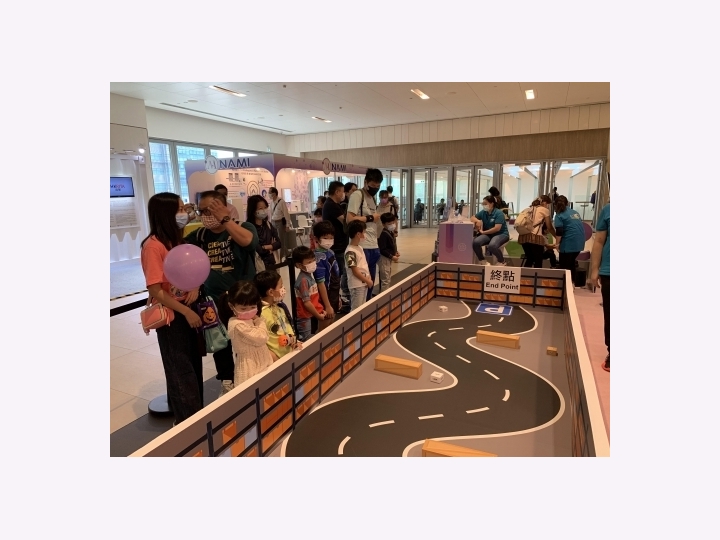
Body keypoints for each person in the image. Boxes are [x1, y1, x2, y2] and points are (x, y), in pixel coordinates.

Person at [185, 190, 259, 396]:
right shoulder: (200, 235)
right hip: (214, 300)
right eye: (201, 211)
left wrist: (225, 219)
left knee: (247, 339)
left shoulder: (243, 226)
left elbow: (249, 242)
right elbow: (178, 249)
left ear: (223, 207)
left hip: (243, 299)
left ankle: (251, 374)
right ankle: (227, 379)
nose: (205, 216)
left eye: (210, 210)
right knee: (220, 343)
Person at [140, 192, 203, 426]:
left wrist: (195, 286)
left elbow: (192, 268)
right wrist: (185, 311)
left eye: (184, 208)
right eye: (179, 209)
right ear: (166, 213)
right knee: (179, 369)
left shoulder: (177, 241)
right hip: (172, 316)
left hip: (188, 308)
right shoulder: (153, 246)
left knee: (193, 364)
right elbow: (156, 289)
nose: (184, 213)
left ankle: (197, 414)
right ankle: (187, 423)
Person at [217, 281, 274, 387]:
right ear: (231, 306)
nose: (249, 311)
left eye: (252, 307)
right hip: (250, 367)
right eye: (243, 308)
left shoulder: (250, 319)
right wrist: (259, 321)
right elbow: (262, 337)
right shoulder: (237, 324)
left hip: (264, 359)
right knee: (254, 392)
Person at [347, 168, 382, 300]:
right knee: (362, 284)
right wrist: (370, 218)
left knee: (370, 282)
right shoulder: (358, 195)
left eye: (378, 186)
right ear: (366, 182)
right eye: (373, 185)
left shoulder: (372, 197)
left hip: (373, 245)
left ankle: (368, 306)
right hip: (362, 245)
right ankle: (361, 308)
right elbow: (349, 219)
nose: (375, 188)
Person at [255, 270, 301, 361]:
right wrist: (272, 357)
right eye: (281, 286)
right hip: (276, 360)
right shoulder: (260, 315)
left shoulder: (280, 307)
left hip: (290, 353)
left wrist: (294, 340)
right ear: (271, 292)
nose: (283, 288)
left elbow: (288, 326)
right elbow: (260, 341)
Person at [588, 200, 610, 372]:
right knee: (610, 314)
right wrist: (595, 269)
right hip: (610, 270)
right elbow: (599, 241)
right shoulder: (608, 210)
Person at [322, 181, 351, 311]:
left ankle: (340, 297)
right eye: (343, 191)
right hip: (337, 246)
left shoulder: (335, 204)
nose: (344, 194)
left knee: (341, 272)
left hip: (340, 244)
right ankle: (339, 298)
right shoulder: (331, 205)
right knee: (338, 274)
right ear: (337, 192)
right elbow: (345, 221)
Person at [292, 246, 326, 341]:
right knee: (308, 340)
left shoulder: (309, 277)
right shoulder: (303, 280)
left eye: (313, 260)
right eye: (309, 262)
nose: (313, 263)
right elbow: (307, 303)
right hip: (305, 318)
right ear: (299, 265)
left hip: (312, 314)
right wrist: (318, 315)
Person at [313, 220, 341, 332]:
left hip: (334, 294)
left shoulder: (330, 252)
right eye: (325, 238)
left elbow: (336, 276)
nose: (329, 241)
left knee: (331, 326)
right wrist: (327, 305)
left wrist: (338, 297)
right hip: (325, 297)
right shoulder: (318, 258)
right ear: (316, 238)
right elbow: (321, 283)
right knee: (324, 329)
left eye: (331, 238)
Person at [553, 195, 585, 286]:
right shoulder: (575, 213)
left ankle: (565, 286)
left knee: (564, 266)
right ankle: (572, 284)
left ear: (555, 205)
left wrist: (557, 244)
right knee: (571, 263)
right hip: (579, 243)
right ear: (567, 203)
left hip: (568, 243)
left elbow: (559, 231)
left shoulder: (559, 215)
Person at [471, 195, 510, 266]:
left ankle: (502, 261)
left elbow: (497, 228)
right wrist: (477, 221)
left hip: (501, 234)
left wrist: (484, 232)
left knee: (492, 246)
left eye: (485, 203)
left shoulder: (498, 213)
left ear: (492, 204)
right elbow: (472, 217)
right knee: (476, 243)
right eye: (483, 204)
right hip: (489, 235)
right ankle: (482, 260)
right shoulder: (483, 212)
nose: (483, 205)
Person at [518, 195, 556, 268]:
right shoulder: (544, 210)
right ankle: (536, 275)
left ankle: (524, 274)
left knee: (530, 259)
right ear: (545, 203)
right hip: (535, 238)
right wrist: (556, 237)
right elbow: (550, 227)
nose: (548, 207)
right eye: (548, 204)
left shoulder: (528, 209)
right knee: (538, 260)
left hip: (523, 237)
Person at [345, 221, 373, 311]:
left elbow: (363, 266)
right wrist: (367, 281)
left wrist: (367, 279)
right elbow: (355, 271)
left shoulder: (359, 247)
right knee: (356, 310)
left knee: (362, 309)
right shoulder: (350, 252)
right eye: (364, 232)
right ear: (358, 234)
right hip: (356, 285)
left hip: (363, 283)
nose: (365, 234)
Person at [247, 194, 281, 269]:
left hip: (272, 263)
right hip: (258, 266)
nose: (264, 210)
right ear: (253, 210)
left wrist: (266, 247)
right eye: (260, 208)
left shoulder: (268, 224)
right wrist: (271, 248)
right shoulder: (249, 227)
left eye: (265, 207)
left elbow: (279, 243)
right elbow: (259, 250)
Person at [268, 187, 294, 259]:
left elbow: (286, 214)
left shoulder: (281, 202)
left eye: (270, 192)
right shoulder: (271, 203)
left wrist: (287, 225)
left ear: (274, 193)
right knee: (276, 240)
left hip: (280, 223)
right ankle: (287, 253)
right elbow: (271, 214)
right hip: (273, 222)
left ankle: (281, 257)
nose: (268, 194)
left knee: (281, 240)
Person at [377, 213, 400, 292]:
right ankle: (384, 296)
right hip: (384, 258)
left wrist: (395, 252)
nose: (392, 225)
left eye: (393, 223)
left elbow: (391, 245)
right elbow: (382, 249)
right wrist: (392, 256)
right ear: (383, 224)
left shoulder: (390, 232)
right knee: (385, 279)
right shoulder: (384, 234)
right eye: (389, 224)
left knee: (387, 278)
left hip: (388, 258)